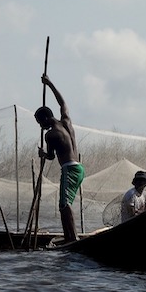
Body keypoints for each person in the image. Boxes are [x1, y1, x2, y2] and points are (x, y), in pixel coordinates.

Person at [35, 74, 85, 243]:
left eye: (40, 123)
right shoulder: (66, 122)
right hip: (79, 168)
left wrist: (42, 154)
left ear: (46, 119)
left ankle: (73, 238)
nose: (40, 127)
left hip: (69, 169)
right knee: (65, 203)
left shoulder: (50, 135)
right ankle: (69, 236)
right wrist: (50, 84)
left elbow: (50, 156)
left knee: (64, 204)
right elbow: (62, 103)